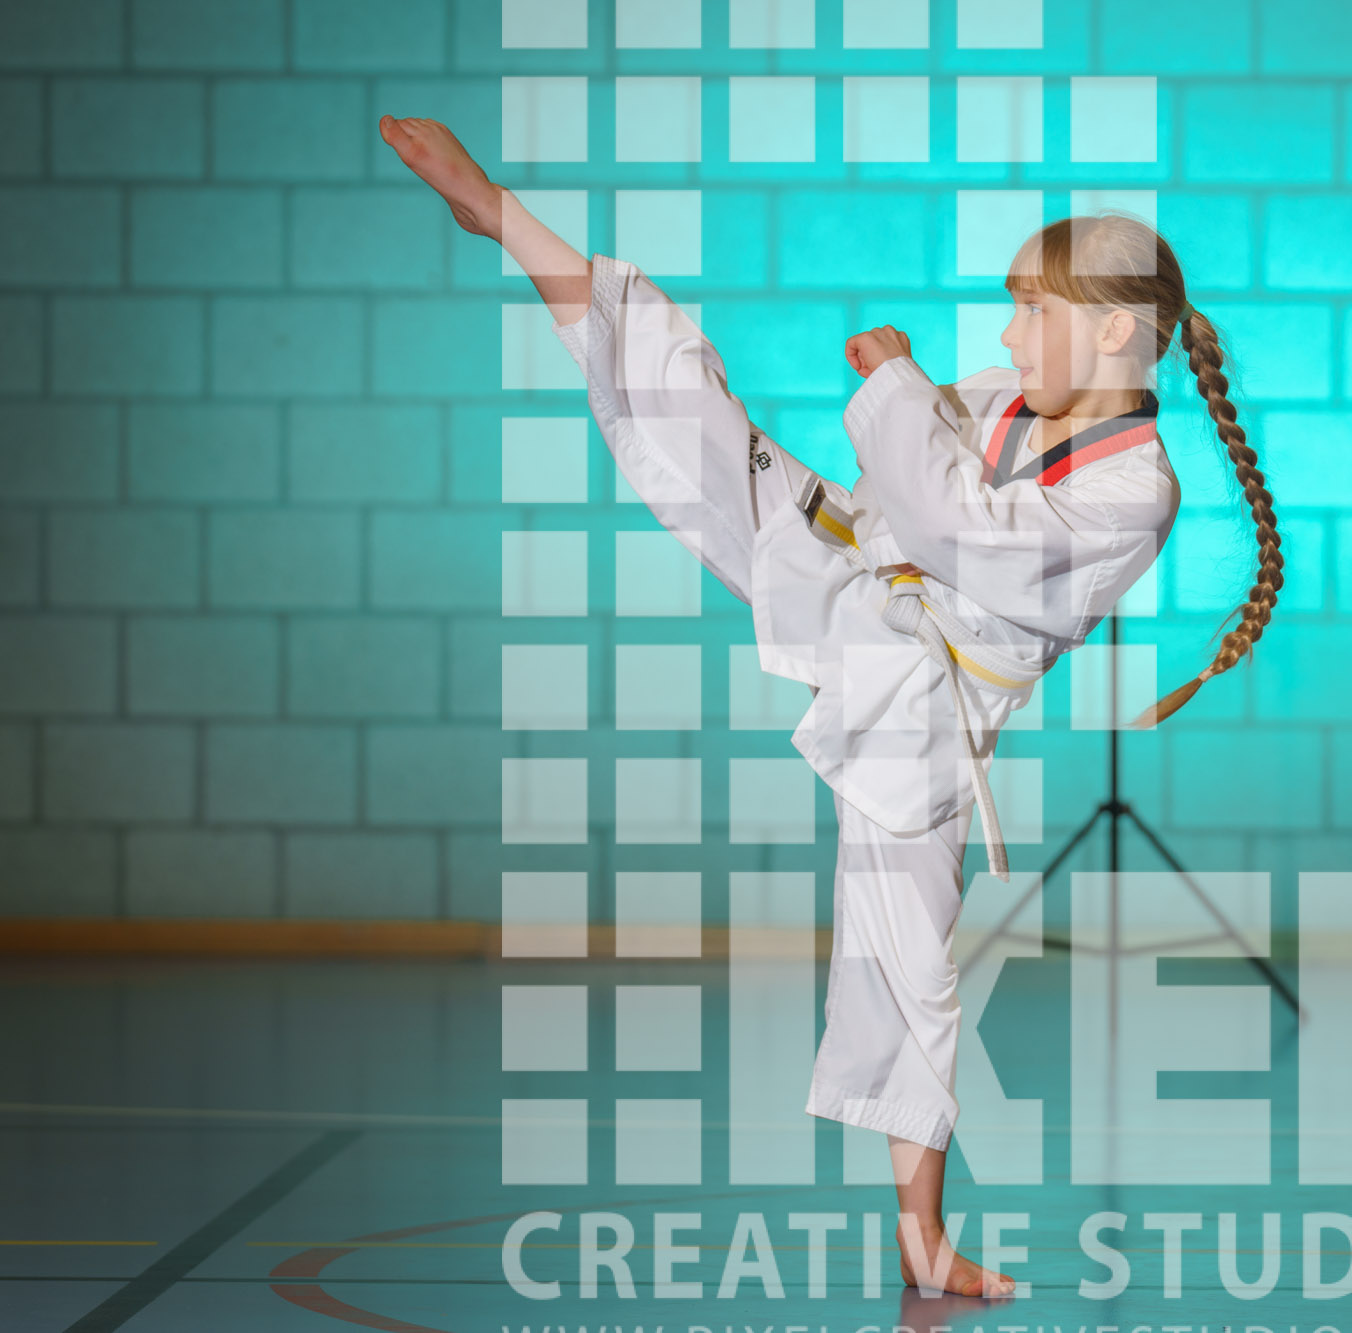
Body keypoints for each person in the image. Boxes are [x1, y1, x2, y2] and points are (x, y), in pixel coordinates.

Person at [380, 114, 1282, 1299]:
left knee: (906, 967)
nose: (1007, 335)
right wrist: (903, 408)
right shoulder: (1007, 396)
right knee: (708, 429)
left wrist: (897, 382)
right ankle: (509, 223)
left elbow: (958, 527)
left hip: (923, 711)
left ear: (1115, 329)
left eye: (1031, 311)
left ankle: (922, 1237)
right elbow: (900, 485)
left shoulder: (1135, 488)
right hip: (848, 572)